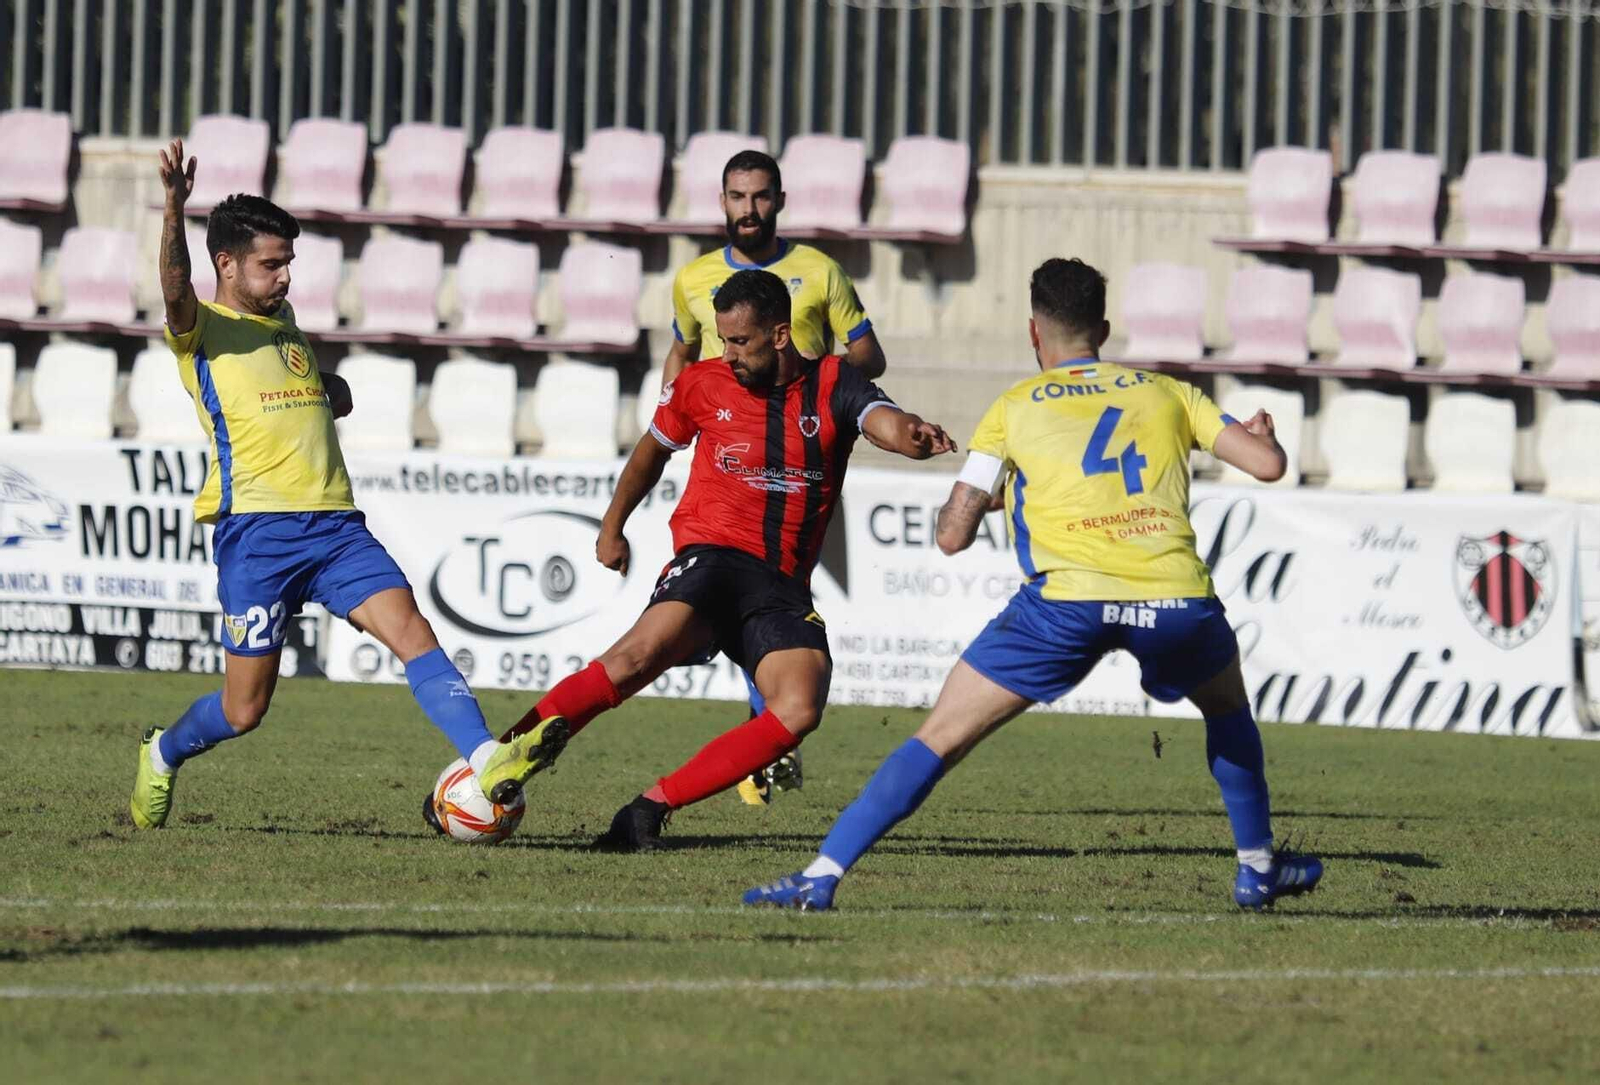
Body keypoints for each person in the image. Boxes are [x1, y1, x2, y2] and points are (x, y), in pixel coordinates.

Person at [742, 256, 1325, 912]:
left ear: (1032, 332)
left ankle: (822, 874)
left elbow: (952, 534)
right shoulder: (1167, 391)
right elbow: (1268, 465)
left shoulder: (1015, 407)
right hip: (1174, 596)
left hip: (1065, 605)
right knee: (1226, 710)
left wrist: (984, 495)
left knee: (938, 737)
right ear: (1102, 328)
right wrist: (1260, 435)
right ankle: (1255, 867)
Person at [128, 138, 563, 830]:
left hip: (335, 527)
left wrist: (327, 387)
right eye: (271, 265)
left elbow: (292, 387)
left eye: (289, 264)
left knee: (413, 631)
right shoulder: (202, 329)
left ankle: (487, 756)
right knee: (245, 709)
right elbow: (175, 288)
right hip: (259, 534)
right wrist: (175, 205)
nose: (285, 278)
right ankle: (164, 750)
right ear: (227, 264)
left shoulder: (285, 324)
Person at [499, 268, 954, 851]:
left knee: (798, 707)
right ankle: (497, 760)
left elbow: (879, 420)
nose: (729, 354)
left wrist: (911, 433)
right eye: (723, 340)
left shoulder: (835, 380)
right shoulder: (700, 383)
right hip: (713, 555)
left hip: (781, 581)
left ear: (781, 335)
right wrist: (612, 526)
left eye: (741, 341)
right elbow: (650, 452)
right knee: (636, 658)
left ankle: (645, 812)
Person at [663, 148, 888, 804]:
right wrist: (669, 413)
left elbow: (868, 353)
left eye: (760, 196)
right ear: (722, 201)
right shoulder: (695, 278)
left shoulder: (819, 273)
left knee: (766, 595)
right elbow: (679, 350)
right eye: (737, 196)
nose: (749, 209)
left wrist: (819, 379)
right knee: (732, 593)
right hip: (720, 458)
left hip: (796, 458)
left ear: (780, 199)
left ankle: (765, 725)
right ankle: (765, 731)